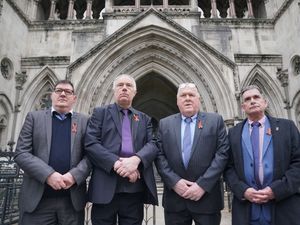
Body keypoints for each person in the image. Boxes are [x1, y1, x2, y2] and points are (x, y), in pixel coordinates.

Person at [14, 80, 91, 225]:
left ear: (74, 98)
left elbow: (90, 156)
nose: (63, 94)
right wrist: (48, 175)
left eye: (68, 92)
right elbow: (21, 153)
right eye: (58, 90)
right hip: (38, 202)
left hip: (71, 202)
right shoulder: (34, 118)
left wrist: (74, 176)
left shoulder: (84, 121)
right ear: (52, 95)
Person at [85, 74, 158, 225]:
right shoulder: (100, 113)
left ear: (134, 92)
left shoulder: (144, 118)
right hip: (104, 187)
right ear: (114, 91)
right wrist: (118, 164)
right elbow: (91, 143)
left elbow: (153, 144)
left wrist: (136, 160)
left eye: (129, 85)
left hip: (134, 189)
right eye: (120, 85)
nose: (124, 88)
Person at [224, 85, 300, 225]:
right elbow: (228, 168)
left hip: (283, 207)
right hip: (247, 210)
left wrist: (276, 190)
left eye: (256, 97)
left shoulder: (287, 127)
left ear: (265, 102)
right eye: (247, 99)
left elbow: (298, 163)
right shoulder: (234, 133)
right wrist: (243, 190)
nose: (252, 101)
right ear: (243, 107)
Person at [155, 83, 229, 225]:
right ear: (177, 101)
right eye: (183, 95)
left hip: (207, 199)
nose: (187, 98)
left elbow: (222, 154)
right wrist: (175, 182)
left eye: (192, 95)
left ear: (198, 99)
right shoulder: (165, 124)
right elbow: (159, 155)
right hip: (175, 200)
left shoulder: (215, 121)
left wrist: (202, 185)